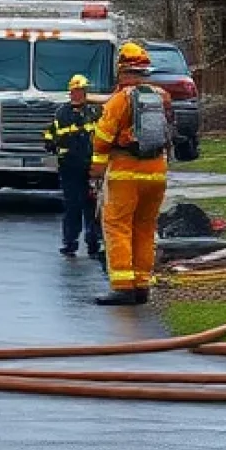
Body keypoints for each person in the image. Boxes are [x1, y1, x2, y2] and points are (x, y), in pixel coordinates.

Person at [89, 43, 173, 307]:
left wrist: (96, 170)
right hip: (156, 172)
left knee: (118, 226)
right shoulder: (161, 96)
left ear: (123, 70)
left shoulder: (120, 100)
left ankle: (123, 287)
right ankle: (141, 285)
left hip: (126, 172)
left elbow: (102, 139)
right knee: (146, 227)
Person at [43, 73, 103, 260]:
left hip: (90, 166)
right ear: (71, 92)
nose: (78, 94)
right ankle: (70, 243)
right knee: (72, 206)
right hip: (69, 166)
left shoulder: (95, 112)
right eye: (75, 91)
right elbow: (50, 134)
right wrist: (51, 144)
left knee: (91, 206)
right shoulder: (62, 113)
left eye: (81, 91)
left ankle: (94, 243)